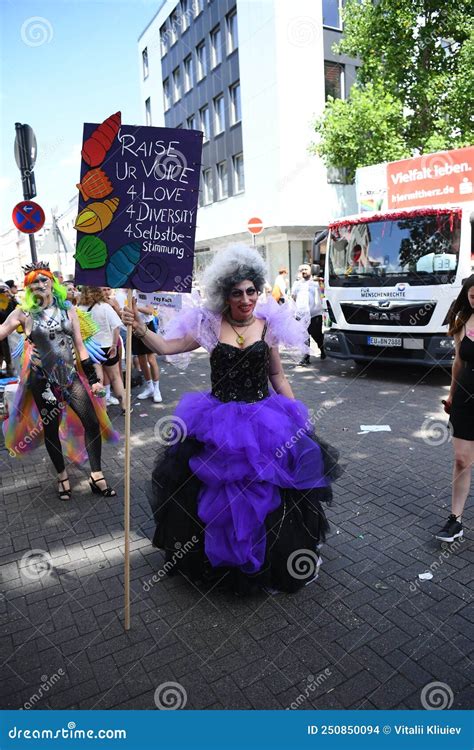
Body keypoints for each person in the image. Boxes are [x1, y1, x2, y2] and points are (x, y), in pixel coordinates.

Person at [123, 245, 341, 595]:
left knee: (267, 492)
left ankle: (269, 559)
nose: (245, 299)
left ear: (258, 290)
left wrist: (297, 416)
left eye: (251, 291)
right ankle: (216, 561)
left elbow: (277, 376)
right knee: (215, 494)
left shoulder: (267, 326)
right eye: (237, 292)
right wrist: (139, 328)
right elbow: (166, 348)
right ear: (226, 294)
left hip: (265, 422)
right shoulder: (209, 324)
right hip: (217, 423)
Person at [0, 262, 119, 500]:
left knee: (92, 423)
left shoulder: (67, 308)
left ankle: (96, 475)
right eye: (35, 281)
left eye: (45, 279)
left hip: (70, 377)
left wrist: (94, 379)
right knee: (51, 430)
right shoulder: (23, 312)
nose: (41, 285)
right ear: (28, 286)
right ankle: (62, 476)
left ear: (52, 283)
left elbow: (79, 345)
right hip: (42, 381)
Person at [438, 275, 474, 542]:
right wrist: (451, 396)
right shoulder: (463, 321)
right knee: (462, 459)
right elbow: (458, 363)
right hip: (465, 397)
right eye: (472, 296)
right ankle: (456, 520)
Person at [79, 286, 127, 412]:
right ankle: (125, 406)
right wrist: (113, 345)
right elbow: (116, 326)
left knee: (98, 381)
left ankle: (103, 411)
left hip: (91, 349)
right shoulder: (105, 307)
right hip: (108, 347)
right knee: (115, 377)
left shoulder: (79, 309)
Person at [291, 263, 326, 365]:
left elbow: (323, 293)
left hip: (315, 314)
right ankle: (306, 357)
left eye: (306, 269)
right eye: (301, 270)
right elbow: (293, 296)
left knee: (317, 335)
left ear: (311, 270)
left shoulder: (317, 282)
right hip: (302, 315)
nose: (304, 271)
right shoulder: (297, 284)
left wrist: (321, 282)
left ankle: (322, 349)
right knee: (304, 336)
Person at [132, 293, 162, 403]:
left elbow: (150, 311)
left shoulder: (149, 293)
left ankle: (157, 389)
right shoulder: (133, 292)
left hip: (148, 326)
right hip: (135, 327)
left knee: (151, 359)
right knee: (141, 360)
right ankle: (149, 387)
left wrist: (135, 307)